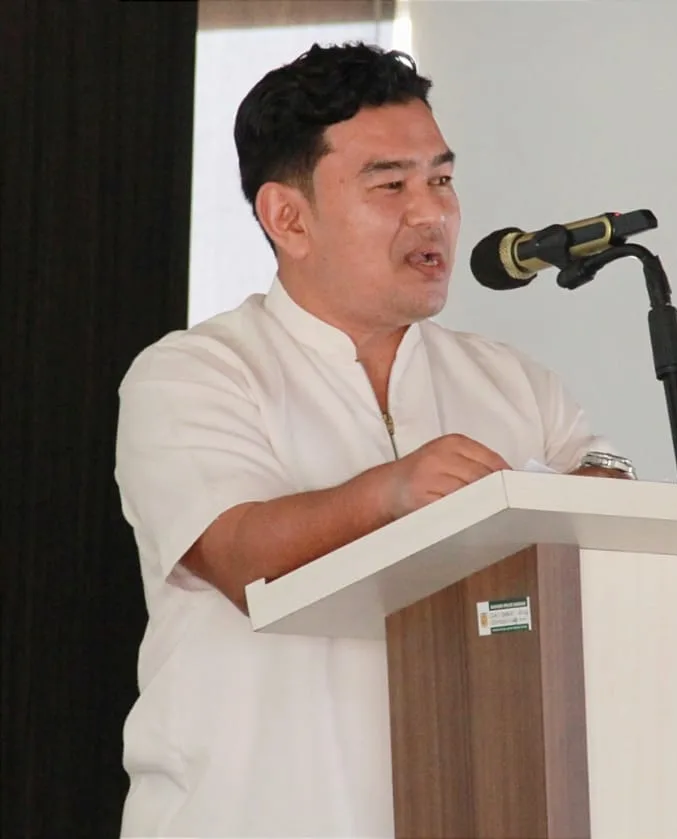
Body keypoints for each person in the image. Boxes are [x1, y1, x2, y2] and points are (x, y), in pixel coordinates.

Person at [113, 42, 629, 837]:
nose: (432, 214)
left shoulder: (512, 381)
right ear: (287, 218)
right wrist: (390, 492)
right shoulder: (195, 373)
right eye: (391, 185)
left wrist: (602, 487)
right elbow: (239, 556)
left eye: (442, 180)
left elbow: (600, 512)